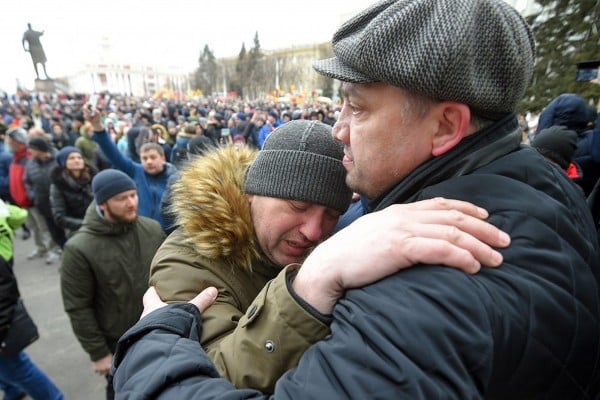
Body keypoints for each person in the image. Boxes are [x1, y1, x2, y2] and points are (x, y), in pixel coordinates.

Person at [113, 0, 600, 398]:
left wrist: (153, 341)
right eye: (341, 104)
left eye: (358, 107)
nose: (339, 128)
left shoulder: (425, 287)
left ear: (446, 125)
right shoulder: (546, 186)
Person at [147, 119, 504, 392]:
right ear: (251, 193)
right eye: (298, 205)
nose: (314, 232)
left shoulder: (336, 244)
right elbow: (207, 380)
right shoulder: (186, 260)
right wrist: (308, 286)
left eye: (330, 215)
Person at [60, 169, 165, 399]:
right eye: (121, 198)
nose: (131, 203)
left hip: (159, 333)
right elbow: (78, 306)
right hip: (119, 344)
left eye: (133, 195)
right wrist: (98, 353)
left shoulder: (152, 229)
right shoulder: (79, 248)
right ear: (103, 203)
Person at [0, 199, 63, 400]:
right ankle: (12, 390)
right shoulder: (3, 213)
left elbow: (5, 291)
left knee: (16, 365)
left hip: (3, 296)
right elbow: (19, 215)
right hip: (6, 263)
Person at [90, 113, 177, 232]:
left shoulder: (175, 178)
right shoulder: (136, 171)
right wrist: (98, 128)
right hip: (141, 232)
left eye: (153, 157)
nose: (149, 162)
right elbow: (114, 155)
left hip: (167, 235)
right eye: (144, 158)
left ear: (163, 158)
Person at [24, 137, 66, 261]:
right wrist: (33, 196)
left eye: (31, 148)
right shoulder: (31, 163)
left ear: (39, 149)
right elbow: (27, 181)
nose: (29, 151)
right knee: (53, 231)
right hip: (43, 204)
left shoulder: (57, 159)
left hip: (62, 203)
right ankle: (63, 251)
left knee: (67, 228)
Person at [49, 146, 97, 234]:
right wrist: (86, 224)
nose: (77, 160)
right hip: (79, 230)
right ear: (64, 162)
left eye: (79, 157)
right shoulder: (58, 185)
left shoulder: (93, 178)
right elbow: (60, 217)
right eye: (71, 158)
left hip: (101, 223)